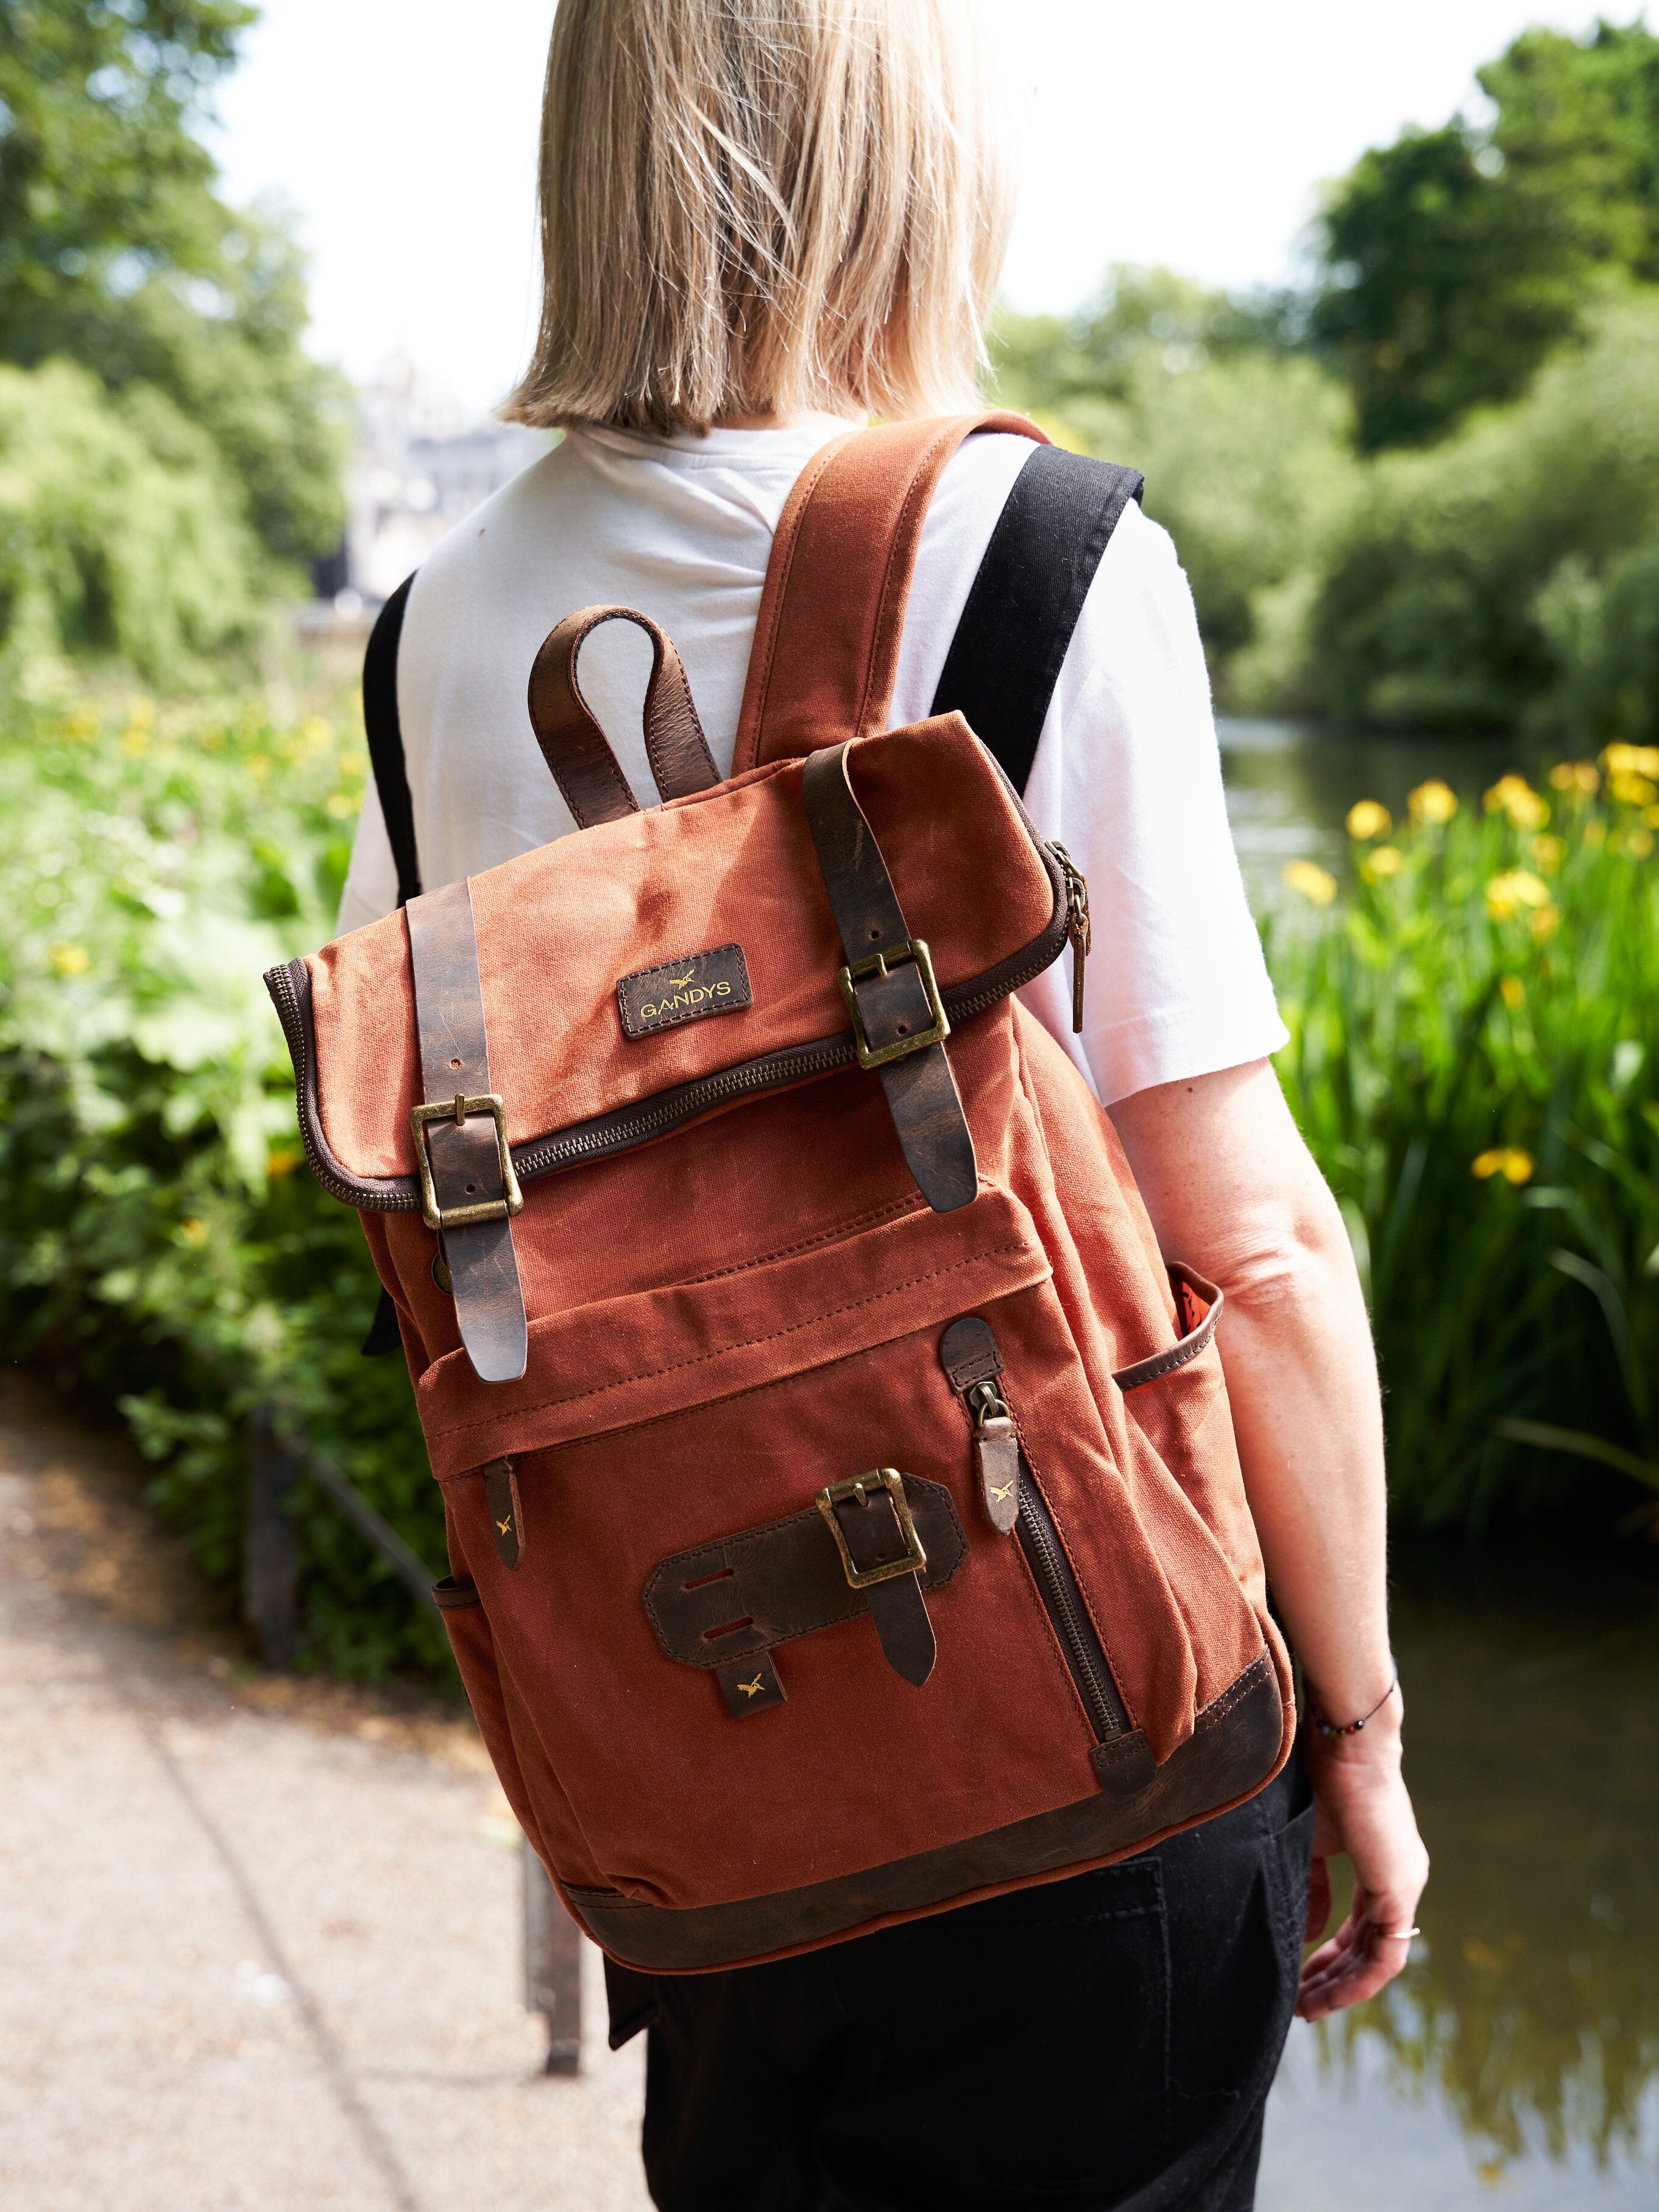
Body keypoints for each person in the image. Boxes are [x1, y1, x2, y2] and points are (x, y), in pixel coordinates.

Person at [339, 2, 1429, 2204]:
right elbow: (1253, 1238)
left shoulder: (435, 629)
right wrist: (1363, 1728)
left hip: (703, 1736)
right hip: (1080, 1735)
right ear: (908, 137)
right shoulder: (1033, 554)